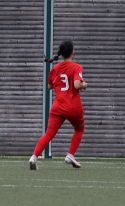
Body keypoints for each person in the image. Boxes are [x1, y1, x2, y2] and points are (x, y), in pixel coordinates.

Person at [29, 41, 88, 170]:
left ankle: (34, 157)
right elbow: (77, 85)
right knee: (79, 129)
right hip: (73, 106)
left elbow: (50, 86)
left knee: (49, 134)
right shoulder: (76, 67)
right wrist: (85, 85)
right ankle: (70, 155)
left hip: (58, 106)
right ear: (73, 52)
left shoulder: (55, 68)